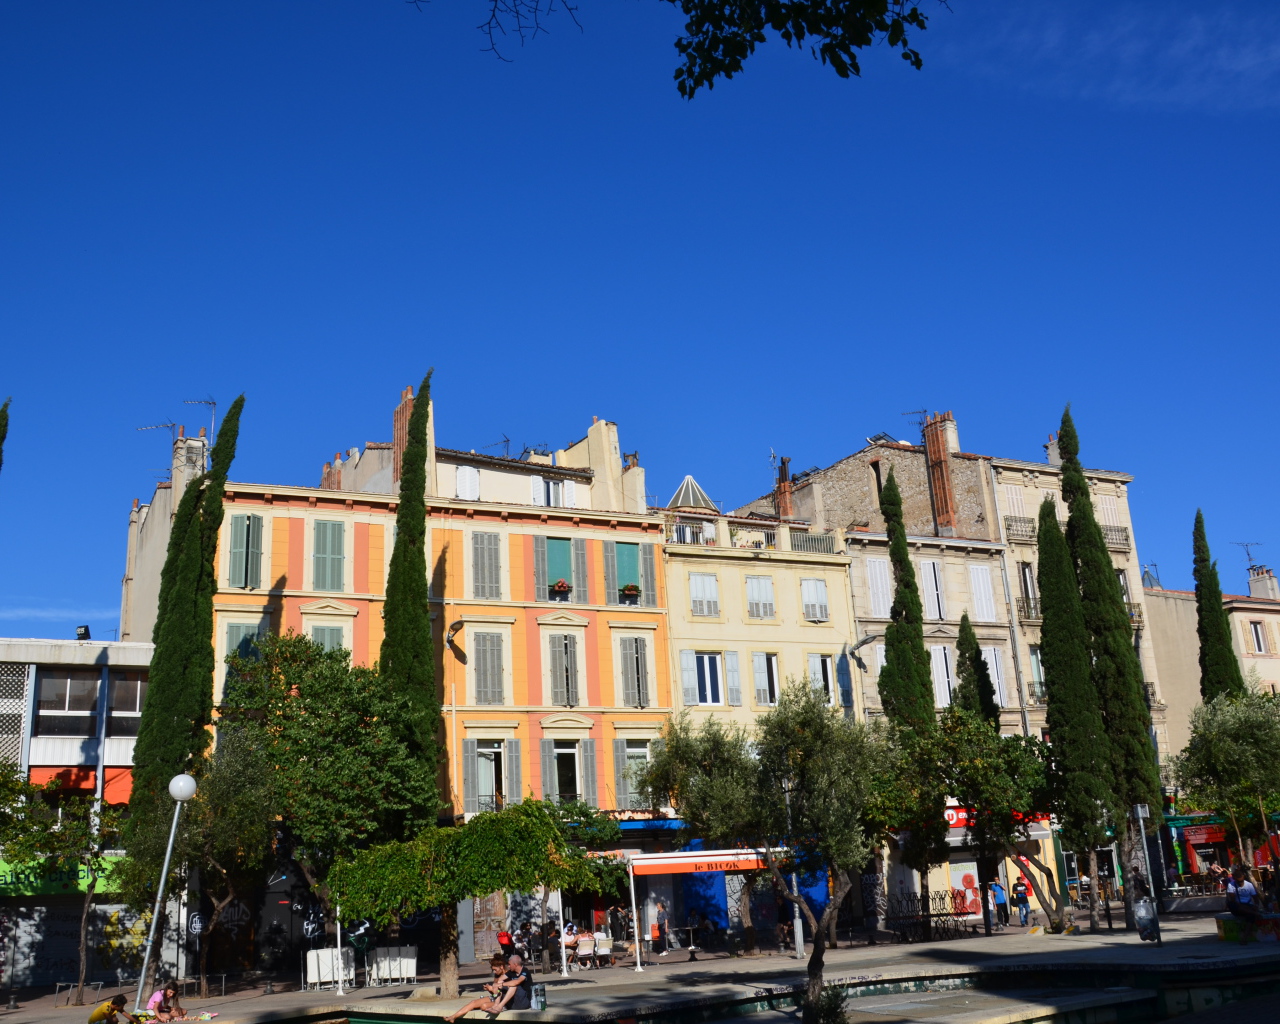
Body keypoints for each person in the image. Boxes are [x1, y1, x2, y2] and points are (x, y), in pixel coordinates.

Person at [443, 956, 509, 1023]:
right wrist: (489, 989)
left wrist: (493, 989)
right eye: (493, 970)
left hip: (504, 1000)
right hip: (495, 997)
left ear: (501, 967)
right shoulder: (497, 976)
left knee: (484, 1006)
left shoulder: (509, 975)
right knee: (473, 1002)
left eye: (495, 970)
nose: (494, 972)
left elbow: (506, 992)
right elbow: (494, 994)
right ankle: (453, 1017)